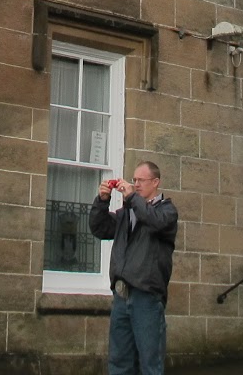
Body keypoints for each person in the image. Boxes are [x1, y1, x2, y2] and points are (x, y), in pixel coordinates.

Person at [89, 160, 178, 375]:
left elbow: (153, 220)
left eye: (141, 180)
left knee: (149, 363)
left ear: (155, 182)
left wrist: (131, 198)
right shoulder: (126, 214)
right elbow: (99, 228)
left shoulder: (167, 211)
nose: (136, 184)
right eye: (134, 180)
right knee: (119, 361)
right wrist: (102, 201)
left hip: (146, 297)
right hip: (121, 296)